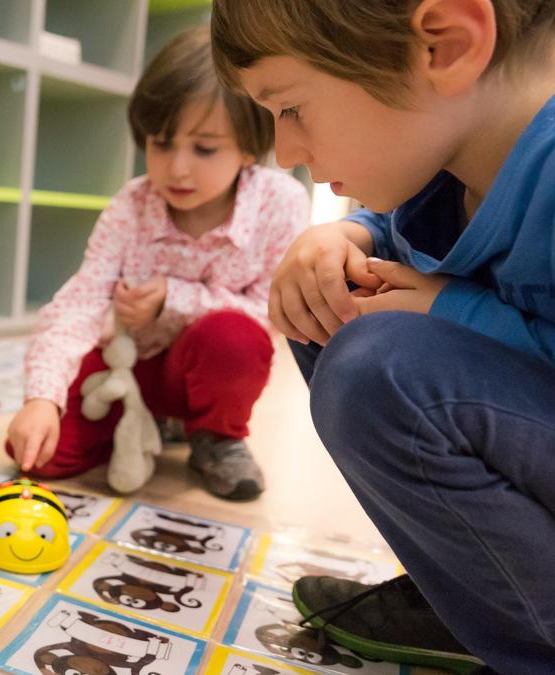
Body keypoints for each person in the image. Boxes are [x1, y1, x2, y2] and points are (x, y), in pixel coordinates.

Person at [211, 0, 555, 671]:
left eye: (291, 108)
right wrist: (350, 232)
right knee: (328, 301)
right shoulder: (464, 153)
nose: (287, 151)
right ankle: (480, 597)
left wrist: (453, 309)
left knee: (378, 368)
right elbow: (412, 224)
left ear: (444, 47)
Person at [5, 26, 310, 501]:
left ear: (250, 146)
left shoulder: (281, 203)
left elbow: (273, 315)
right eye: (161, 143)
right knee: (38, 452)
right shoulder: (132, 203)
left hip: (210, 374)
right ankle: (151, 422)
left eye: (204, 148)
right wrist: (40, 398)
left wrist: (175, 296)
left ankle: (215, 437)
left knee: (233, 337)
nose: (177, 168)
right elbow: (80, 303)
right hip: (130, 370)